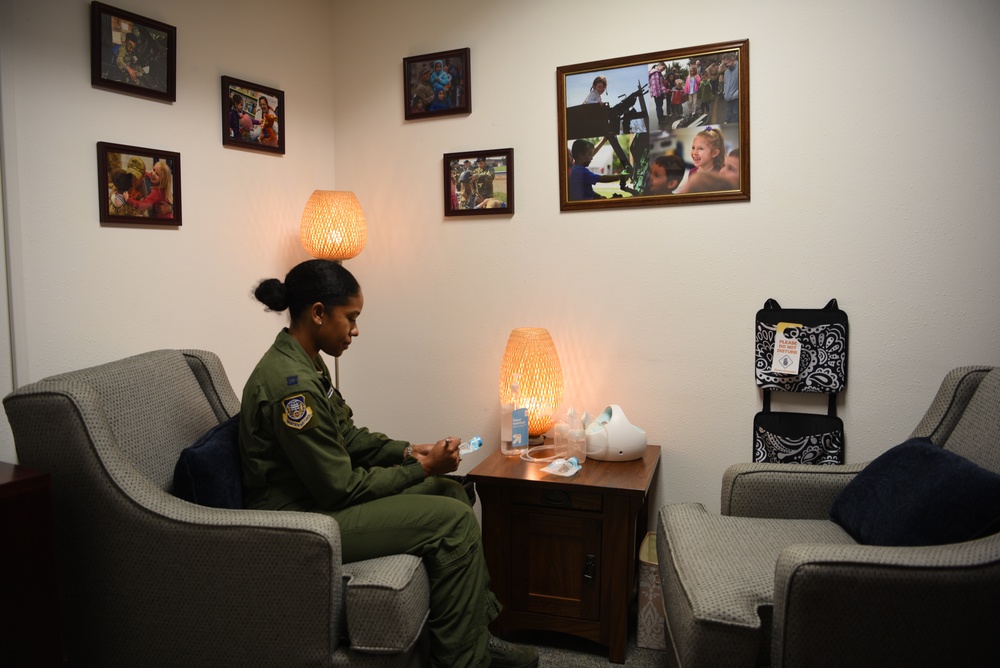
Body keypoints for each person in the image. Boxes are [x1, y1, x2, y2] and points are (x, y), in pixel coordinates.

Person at [239, 260, 539, 668]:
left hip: (317, 502)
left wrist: (409, 451)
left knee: (451, 490)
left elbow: (347, 436)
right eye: (351, 318)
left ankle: (471, 638)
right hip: (301, 521)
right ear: (318, 313)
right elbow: (338, 488)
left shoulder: (307, 360)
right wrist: (423, 469)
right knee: (452, 522)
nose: (356, 330)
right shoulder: (291, 388)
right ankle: (465, 661)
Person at [722, 53, 739, 124]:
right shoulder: (726, 72)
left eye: (726, 64)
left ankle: (735, 126)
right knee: (728, 110)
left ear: (732, 59)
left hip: (736, 97)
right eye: (724, 64)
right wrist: (725, 92)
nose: (725, 66)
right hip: (728, 96)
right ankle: (727, 122)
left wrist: (735, 94)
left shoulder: (740, 68)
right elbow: (725, 83)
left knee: (736, 112)